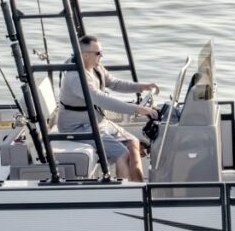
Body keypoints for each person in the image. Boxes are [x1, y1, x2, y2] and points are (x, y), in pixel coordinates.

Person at [57, 35, 160, 181]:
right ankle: (123, 196)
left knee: (133, 142)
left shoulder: (95, 66)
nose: (102, 56)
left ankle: (140, 188)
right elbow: (102, 99)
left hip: (97, 122)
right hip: (78, 128)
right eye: (98, 53)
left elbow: (115, 83)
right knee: (122, 153)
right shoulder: (76, 78)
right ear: (85, 55)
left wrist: (143, 86)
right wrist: (137, 109)